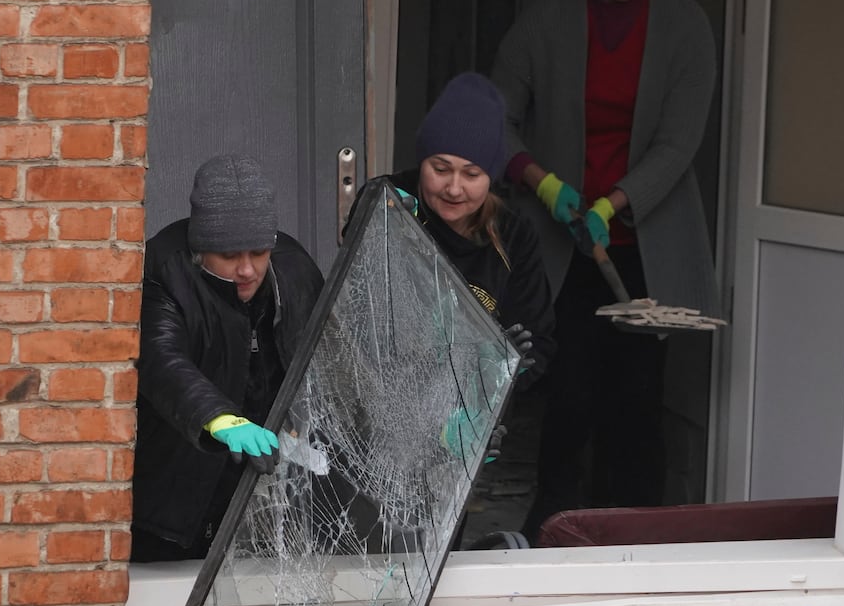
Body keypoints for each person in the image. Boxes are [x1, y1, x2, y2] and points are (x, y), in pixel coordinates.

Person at [491, 0, 720, 537]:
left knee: (637, 398)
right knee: (568, 394)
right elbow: (494, 117)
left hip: (644, 243)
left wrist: (614, 204)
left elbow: (679, 143)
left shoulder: (685, 28)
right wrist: (545, 186)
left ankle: (638, 533)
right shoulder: (544, 22)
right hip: (562, 241)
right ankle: (556, 525)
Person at [131, 154, 325, 561]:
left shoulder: (294, 270)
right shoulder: (164, 271)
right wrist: (217, 418)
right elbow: (162, 361)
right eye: (229, 255)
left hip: (263, 494)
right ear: (201, 248)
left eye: (258, 252)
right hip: (175, 496)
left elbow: (337, 358)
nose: (247, 270)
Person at [364, 72, 556, 395]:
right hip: (384, 397)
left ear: (491, 176)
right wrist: (375, 207)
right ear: (422, 162)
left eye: (471, 174)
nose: (454, 188)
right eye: (440, 169)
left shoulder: (514, 236)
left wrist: (499, 373)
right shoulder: (392, 204)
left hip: (469, 425)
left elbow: (539, 343)